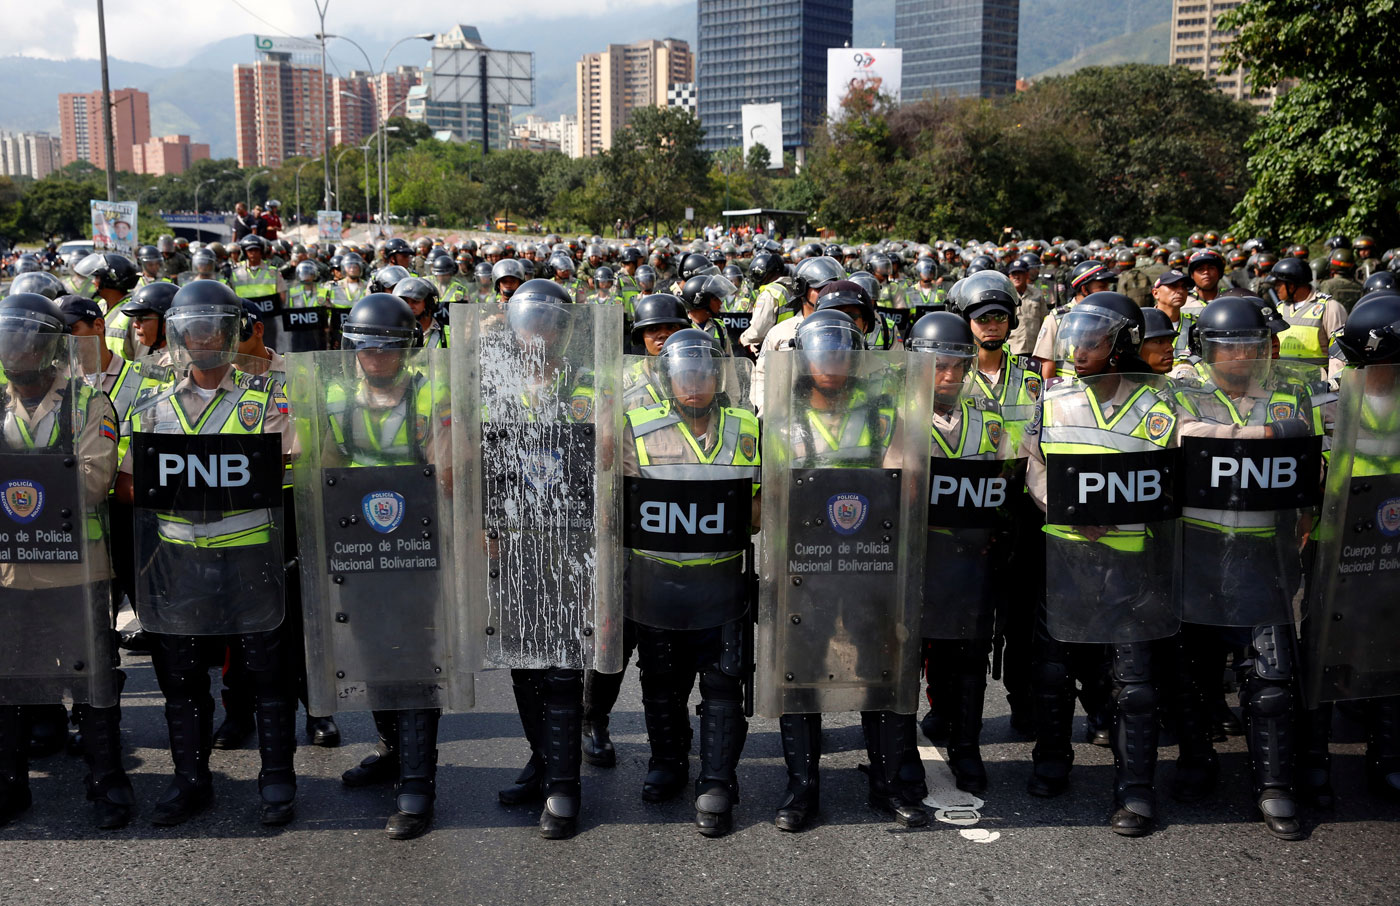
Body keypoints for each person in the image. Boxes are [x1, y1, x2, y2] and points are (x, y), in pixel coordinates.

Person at [114, 280, 299, 827]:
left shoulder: (268, 398)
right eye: (192, 330)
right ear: (178, 336)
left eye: (213, 327)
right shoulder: (152, 405)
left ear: (232, 332)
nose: (202, 339)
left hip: (249, 556)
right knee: (181, 676)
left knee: (267, 673)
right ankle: (190, 781)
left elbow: (286, 469)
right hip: (178, 560)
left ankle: (277, 780)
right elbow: (126, 485)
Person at [766, 309, 927, 831]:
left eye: (841, 351)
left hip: (869, 562)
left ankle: (889, 785)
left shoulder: (882, 413)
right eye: (821, 351)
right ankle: (801, 790)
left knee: (880, 664)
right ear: (802, 359)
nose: (831, 361)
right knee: (800, 668)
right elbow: (766, 494)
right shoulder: (778, 416)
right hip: (802, 566)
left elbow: (905, 477)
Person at [1021, 292, 1178, 829]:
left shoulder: (1160, 405)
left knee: (1132, 682)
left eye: (1093, 340)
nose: (1079, 350)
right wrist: (1065, 506)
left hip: (1132, 563)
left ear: (1122, 344)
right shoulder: (1054, 400)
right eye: (1076, 340)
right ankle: (1051, 759)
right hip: (1066, 554)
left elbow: (1173, 479)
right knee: (1053, 671)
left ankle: (1135, 789)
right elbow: (1035, 466)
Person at [1172, 295, 1319, 840]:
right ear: (1205, 350)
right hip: (1200, 551)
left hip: (1264, 554)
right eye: (1227, 347)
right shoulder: (1184, 394)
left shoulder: (1291, 394)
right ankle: (1195, 761)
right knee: (1193, 674)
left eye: (1250, 346)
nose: (1239, 357)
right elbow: (1180, 435)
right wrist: (1257, 438)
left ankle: (1275, 785)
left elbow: (1307, 453)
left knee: (1272, 679)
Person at [0, 292, 132, 830]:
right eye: (11, 341)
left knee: (93, 682)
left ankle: (108, 784)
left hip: (77, 568)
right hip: (10, 570)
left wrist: (16, 478)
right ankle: (9, 786)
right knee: (10, 681)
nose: (18, 352)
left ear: (51, 349)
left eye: (28, 342)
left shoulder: (89, 403)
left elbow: (93, 481)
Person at [620, 329, 759, 835]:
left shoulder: (747, 426)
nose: (693, 383)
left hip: (721, 580)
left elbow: (761, 509)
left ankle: (717, 779)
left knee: (723, 682)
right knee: (661, 681)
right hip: (656, 581)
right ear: (667, 378)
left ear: (719, 376)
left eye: (703, 372)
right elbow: (621, 505)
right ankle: (668, 762)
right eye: (683, 374)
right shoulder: (635, 426)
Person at [328, 293, 451, 839]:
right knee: (372, 652)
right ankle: (391, 749)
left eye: (387, 348)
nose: (374, 358)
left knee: (414, 657)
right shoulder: (333, 397)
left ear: (407, 349)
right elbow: (323, 469)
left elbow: (447, 468)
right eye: (364, 348)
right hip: (359, 545)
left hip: (418, 546)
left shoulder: (432, 392)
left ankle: (418, 782)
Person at [909, 310, 1011, 792]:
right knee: (907, 653)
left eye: (957, 366)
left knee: (969, 655)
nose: (948, 376)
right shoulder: (895, 418)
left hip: (969, 560)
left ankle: (965, 745)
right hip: (914, 557)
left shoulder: (987, 421)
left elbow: (1002, 481)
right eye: (937, 366)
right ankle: (900, 753)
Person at [1265, 256, 1346, 366]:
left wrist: (1334, 381)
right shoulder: (1279, 309)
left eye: (1278, 285)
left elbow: (1340, 353)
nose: (1276, 289)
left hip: (1318, 381)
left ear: (1292, 285)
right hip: (1283, 381)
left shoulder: (1329, 307)